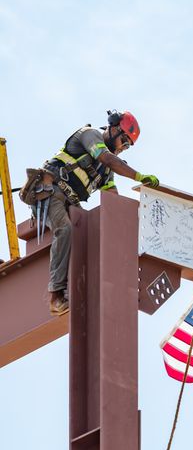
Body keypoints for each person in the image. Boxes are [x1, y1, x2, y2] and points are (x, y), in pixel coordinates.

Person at [35, 110, 159, 315]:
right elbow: (108, 158)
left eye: (128, 146)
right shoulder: (90, 135)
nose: (124, 148)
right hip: (50, 193)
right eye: (124, 141)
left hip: (70, 203)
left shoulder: (106, 171)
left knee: (89, 233)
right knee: (65, 230)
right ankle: (56, 295)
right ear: (113, 128)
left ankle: (81, 287)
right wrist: (138, 176)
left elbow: (113, 199)